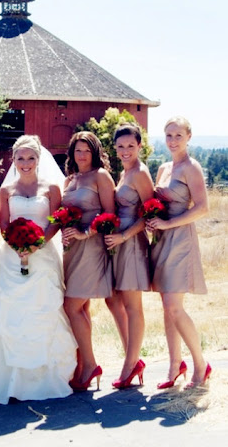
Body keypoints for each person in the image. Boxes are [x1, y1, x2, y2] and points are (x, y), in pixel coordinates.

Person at [0, 135, 77, 404]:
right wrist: (16, 244)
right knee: (6, 314)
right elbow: (2, 224)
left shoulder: (51, 188)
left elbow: (54, 222)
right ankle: (2, 380)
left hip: (43, 256)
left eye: (31, 158)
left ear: (38, 159)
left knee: (41, 311)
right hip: (11, 256)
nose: (26, 163)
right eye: (21, 158)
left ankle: (41, 380)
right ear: (14, 160)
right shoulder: (6, 190)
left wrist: (36, 244)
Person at [61, 131, 128, 391]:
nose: (82, 155)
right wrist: (66, 231)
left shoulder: (101, 176)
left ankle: (90, 365)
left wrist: (83, 232)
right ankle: (82, 365)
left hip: (92, 246)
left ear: (95, 153)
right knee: (81, 308)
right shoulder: (69, 179)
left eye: (87, 150)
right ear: (72, 153)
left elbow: (110, 215)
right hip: (72, 250)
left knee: (71, 305)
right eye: (78, 150)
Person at [148, 117, 211, 389]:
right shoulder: (163, 168)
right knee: (166, 308)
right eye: (169, 135)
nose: (173, 140)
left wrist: (168, 223)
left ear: (189, 137)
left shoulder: (191, 167)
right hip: (160, 239)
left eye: (178, 135)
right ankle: (175, 366)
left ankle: (201, 364)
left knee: (175, 306)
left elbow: (203, 207)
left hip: (180, 238)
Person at [105, 124, 154, 388]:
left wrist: (124, 236)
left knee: (133, 306)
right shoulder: (124, 173)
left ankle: (130, 363)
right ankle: (133, 358)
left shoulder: (140, 173)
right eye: (121, 146)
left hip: (132, 243)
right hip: (117, 243)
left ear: (139, 146)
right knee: (112, 299)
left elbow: (150, 214)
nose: (125, 151)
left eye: (130, 146)